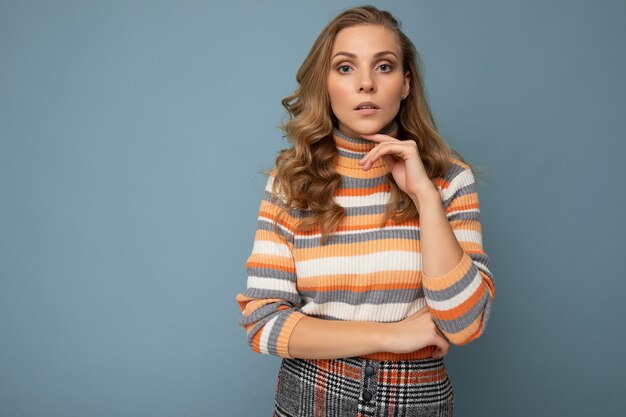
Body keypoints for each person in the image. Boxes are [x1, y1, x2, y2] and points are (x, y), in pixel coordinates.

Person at [235, 5, 495, 417]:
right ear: (325, 82)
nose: (366, 84)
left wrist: (424, 197)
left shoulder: (448, 179)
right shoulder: (292, 182)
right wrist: (390, 336)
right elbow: (263, 324)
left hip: (417, 399)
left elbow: (465, 324)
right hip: (311, 396)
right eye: (344, 68)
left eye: (384, 66)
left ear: (406, 84)